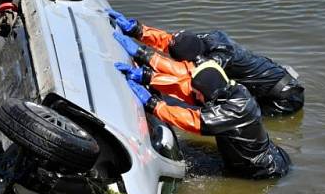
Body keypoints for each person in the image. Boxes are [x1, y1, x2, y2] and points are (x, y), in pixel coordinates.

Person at [113, 32, 290, 179]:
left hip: (262, 171)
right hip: (265, 154)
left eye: (198, 94)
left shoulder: (233, 110)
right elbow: (184, 87)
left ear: (207, 93)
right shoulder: (230, 90)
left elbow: (191, 120)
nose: (193, 96)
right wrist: (148, 77)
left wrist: (153, 104)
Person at [107, 9, 304, 116]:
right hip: (267, 84)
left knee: (239, 117)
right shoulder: (202, 40)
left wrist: (144, 58)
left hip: (283, 98)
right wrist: (137, 30)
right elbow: (172, 42)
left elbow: (184, 76)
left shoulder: (218, 59)